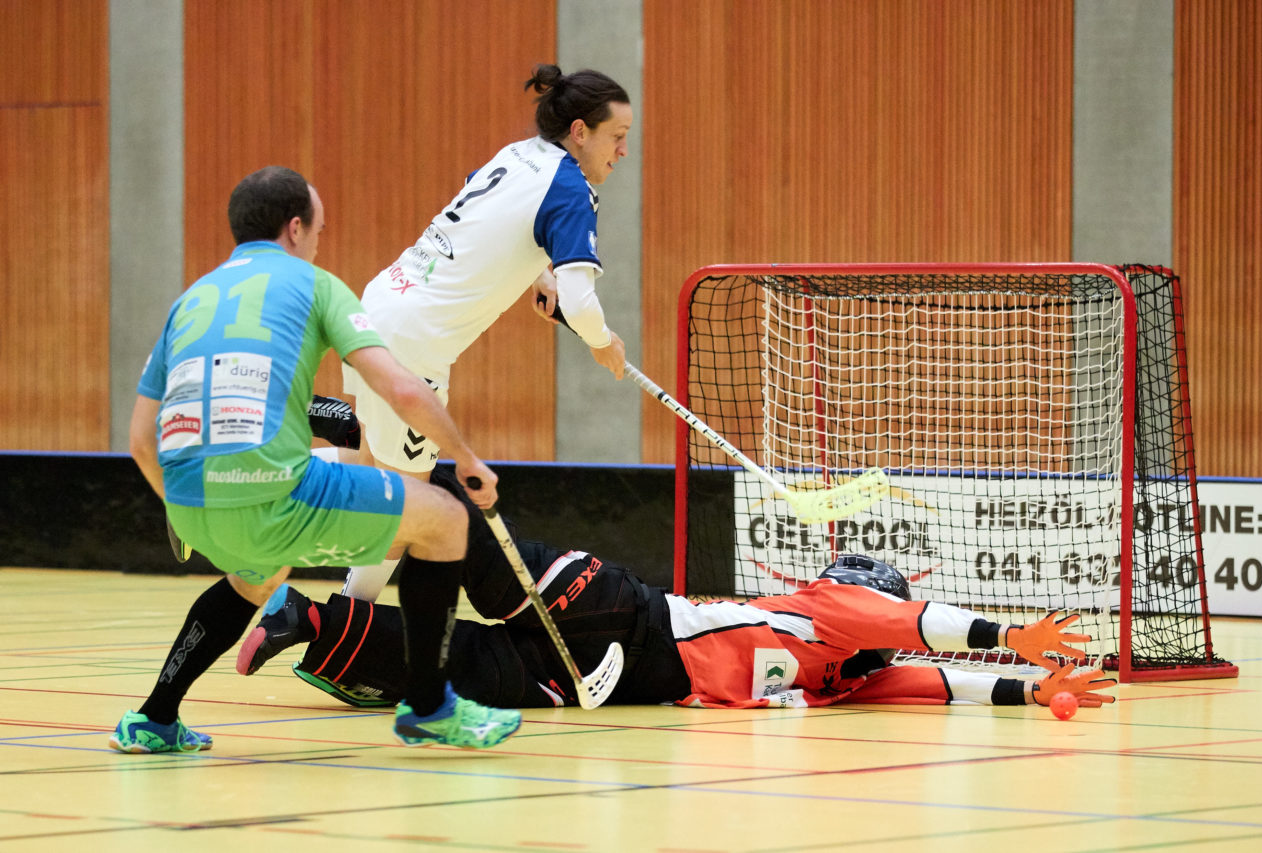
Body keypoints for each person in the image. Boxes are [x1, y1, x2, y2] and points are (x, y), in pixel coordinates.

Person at [111, 166, 520, 754]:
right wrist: (464, 457)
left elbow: (141, 441)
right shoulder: (315, 285)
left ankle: (154, 718)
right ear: (296, 229)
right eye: (321, 229)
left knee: (256, 575)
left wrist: (183, 506)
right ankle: (429, 708)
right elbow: (400, 389)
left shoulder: (191, 300)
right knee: (445, 518)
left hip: (193, 503)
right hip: (276, 496)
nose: (320, 242)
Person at [240, 469, 1118, 713]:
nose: (886, 642)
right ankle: (409, 484)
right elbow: (925, 625)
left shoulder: (843, 676)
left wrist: (1031, 686)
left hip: (621, 683)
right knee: (484, 560)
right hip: (625, 612)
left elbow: (938, 678)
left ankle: (303, 618)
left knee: (460, 668)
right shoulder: (829, 610)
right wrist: (1010, 630)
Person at [338, 62, 634, 602]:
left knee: (366, 466)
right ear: (580, 132)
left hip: (377, 303)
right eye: (617, 137)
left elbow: (484, 228)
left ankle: (222, 480)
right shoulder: (570, 189)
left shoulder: (517, 154)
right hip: (413, 343)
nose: (622, 151)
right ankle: (342, 626)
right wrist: (602, 343)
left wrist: (536, 272)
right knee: (408, 505)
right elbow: (582, 303)